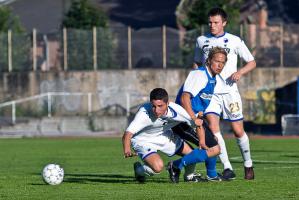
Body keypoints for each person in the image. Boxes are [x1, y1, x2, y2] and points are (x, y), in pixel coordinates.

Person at [192, 7, 256, 180]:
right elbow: (197, 64)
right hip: (210, 93)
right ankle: (227, 167)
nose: (212, 25)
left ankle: (248, 164)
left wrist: (240, 73)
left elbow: (251, 62)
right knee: (213, 129)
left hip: (229, 92)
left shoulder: (234, 40)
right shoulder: (201, 40)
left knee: (237, 130)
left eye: (216, 22)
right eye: (210, 22)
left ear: (224, 23)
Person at [168, 46, 227, 183]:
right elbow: (185, 98)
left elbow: (198, 104)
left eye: (223, 62)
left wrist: (199, 117)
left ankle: (211, 175)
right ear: (209, 60)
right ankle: (175, 165)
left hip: (194, 119)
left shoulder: (212, 79)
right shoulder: (199, 75)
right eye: (217, 61)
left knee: (212, 144)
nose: (220, 65)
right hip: (183, 120)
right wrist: (194, 119)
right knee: (213, 148)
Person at [122, 88, 205, 183]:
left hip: (163, 135)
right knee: (157, 167)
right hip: (142, 140)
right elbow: (128, 133)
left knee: (192, 155)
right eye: (153, 106)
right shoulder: (144, 113)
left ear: (168, 103)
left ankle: (189, 177)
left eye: (160, 106)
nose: (156, 110)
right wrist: (127, 150)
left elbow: (197, 123)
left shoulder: (176, 110)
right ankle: (139, 170)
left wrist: (202, 141)